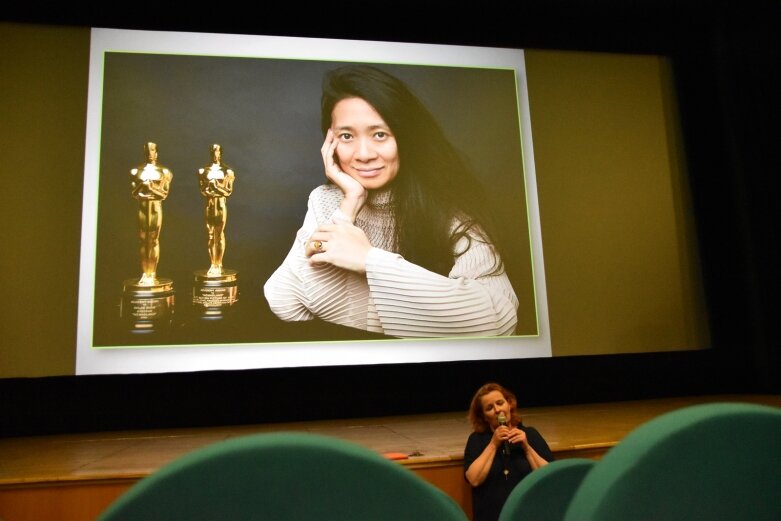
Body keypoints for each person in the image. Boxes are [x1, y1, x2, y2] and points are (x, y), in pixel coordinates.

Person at [263, 65, 518, 337]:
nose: (363, 154)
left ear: (406, 138)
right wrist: (349, 206)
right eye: (346, 136)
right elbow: (284, 301)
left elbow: (498, 322)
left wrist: (369, 261)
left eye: (379, 134)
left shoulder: (450, 211)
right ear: (331, 143)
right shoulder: (327, 200)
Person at [464, 382, 554, 521]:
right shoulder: (477, 440)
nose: (497, 410)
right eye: (489, 408)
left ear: (509, 404)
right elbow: (473, 479)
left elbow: (549, 477)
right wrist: (493, 444)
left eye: (500, 403)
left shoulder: (530, 434)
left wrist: (527, 448)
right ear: (483, 416)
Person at [129, 142, 173, 286]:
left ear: (157, 152)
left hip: (155, 209)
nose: (150, 153)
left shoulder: (164, 172)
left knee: (153, 240)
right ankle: (145, 274)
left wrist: (149, 188)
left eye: (152, 150)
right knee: (143, 240)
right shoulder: (136, 171)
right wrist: (143, 186)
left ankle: (152, 274)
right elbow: (134, 194)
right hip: (141, 209)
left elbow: (164, 194)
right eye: (147, 150)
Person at [198, 143, 235, 277]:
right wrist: (215, 188)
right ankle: (213, 264)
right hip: (210, 205)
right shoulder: (203, 171)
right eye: (213, 151)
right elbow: (203, 190)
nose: (215, 154)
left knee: (219, 234)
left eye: (217, 151)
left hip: (220, 205)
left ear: (221, 153)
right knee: (211, 234)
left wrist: (214, 186)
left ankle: (218, 264)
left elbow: (228, 191)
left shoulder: (227, 171)